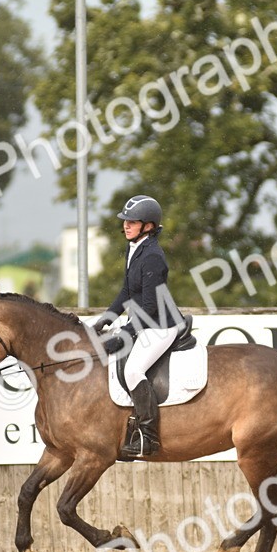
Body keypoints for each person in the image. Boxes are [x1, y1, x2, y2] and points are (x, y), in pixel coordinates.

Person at [93, 194, 185, 459]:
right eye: (125, 221)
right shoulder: (134, 248)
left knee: (133, 370)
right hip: (145, 321)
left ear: (148, 226)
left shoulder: (153, 256)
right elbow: (126, 290)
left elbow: (149, 306)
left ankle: (148, 436)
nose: (126, 225)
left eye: (132, 221)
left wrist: (125, 335)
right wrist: (106, 319)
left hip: (162, 325)